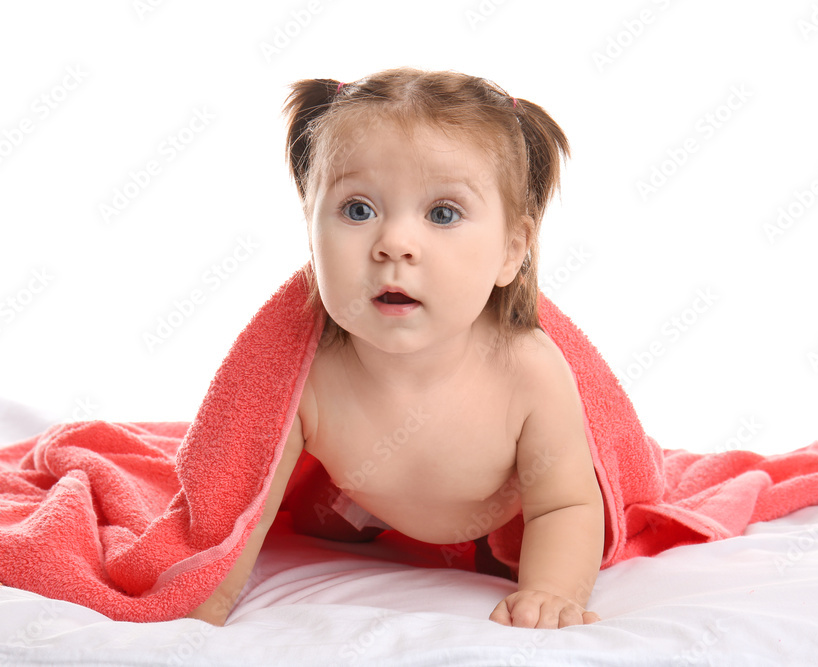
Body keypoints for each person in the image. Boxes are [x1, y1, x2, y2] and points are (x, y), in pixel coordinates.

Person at [187, 66, 604, 630]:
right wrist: (202, 605)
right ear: (310, 228)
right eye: (358, 210)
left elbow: (566, 503)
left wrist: (553, 591)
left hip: (487, 513)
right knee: (318, 518)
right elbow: (244, 504)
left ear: (512, 250)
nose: (394, 245)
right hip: (367, 492)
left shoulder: (526, 370)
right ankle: (360, 515)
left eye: (442, 214)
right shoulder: (306, 375)